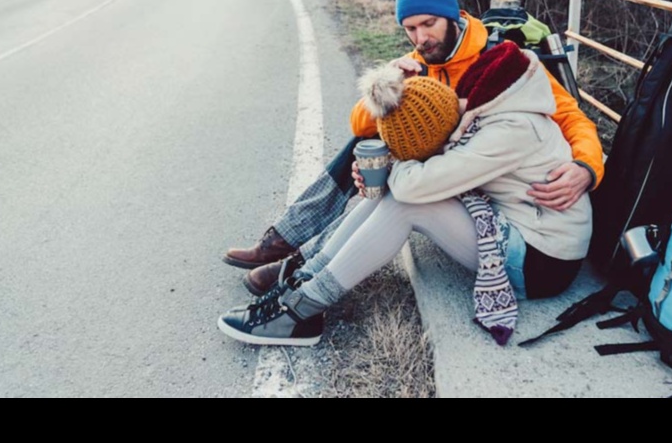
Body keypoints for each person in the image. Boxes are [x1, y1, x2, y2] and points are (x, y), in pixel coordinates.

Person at [224, 0, 604, 297]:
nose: (421, 37)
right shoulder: (418, 61)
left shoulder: (500, 65)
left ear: (452, 16)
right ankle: (291, 243)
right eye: (410, 28)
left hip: (491, 187)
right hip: (457, 174)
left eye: (429, 24)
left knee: (396, 188)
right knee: (365, 147)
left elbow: (569, 115)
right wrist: (390, 84)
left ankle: (300, 271)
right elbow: (360, 124)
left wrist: (587, 168)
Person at [217, 41, 593, 347]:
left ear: (490, 94)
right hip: (521, 226)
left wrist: (395, 164)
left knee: (407, 203)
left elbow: (415, 184)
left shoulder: (513, 127)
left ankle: (300, 312)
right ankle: (303, 280)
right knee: (397, 193)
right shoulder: (497, 109)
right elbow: (442, 157)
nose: (462, 105)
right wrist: (386, 167)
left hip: (543, 260)